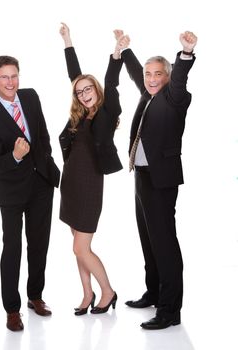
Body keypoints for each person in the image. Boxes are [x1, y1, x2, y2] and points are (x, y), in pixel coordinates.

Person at [114, 30, 197, 330]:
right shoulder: (148, 94)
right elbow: (138, 74)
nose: (151, 78)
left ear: (168, 75)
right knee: (148, 240)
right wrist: (125, 51)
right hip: (142, 176)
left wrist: (185, 54)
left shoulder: (175, 97)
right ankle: (153, 291)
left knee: (164, 244)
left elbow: (179, 80)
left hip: (162, 181)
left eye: (157, 74)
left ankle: (170, 310)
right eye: (148, 74)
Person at [0, 55, 60, 332]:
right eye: (4, 77)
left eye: (14, 76)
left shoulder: (31, 97)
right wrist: (14, 155)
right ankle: (12, 309)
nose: (10, 82)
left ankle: (35, 296)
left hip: (41, 184)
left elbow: (43, 135)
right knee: (12, 249)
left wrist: (44, 159)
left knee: (39, 243)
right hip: (11, 191)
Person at [58, 23, 123, 316]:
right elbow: (75, 75)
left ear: (96, 90)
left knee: (81, 248)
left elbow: (111, 82)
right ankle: (87, 294)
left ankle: (107, 291)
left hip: (89, 185)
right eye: (80, 92)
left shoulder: (107, 112)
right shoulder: (83, 112)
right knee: (76, 245)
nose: (84, 94)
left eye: (88, 89)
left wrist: (117, 53)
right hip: (71, 182)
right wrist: (67, 40)